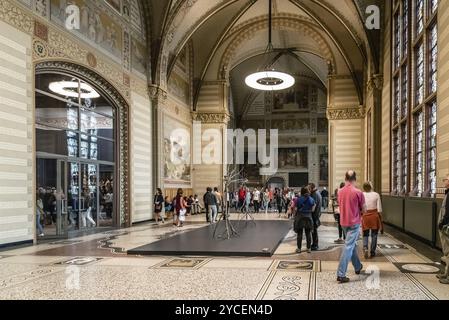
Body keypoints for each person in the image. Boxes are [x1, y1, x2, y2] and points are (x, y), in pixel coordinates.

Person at [336, 171, 366, 283]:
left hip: (343, 222)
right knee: (348, 246)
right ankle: (341, 274)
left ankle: (357, 267)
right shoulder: (358, 192)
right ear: (355, 178)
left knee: (351, 245)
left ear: (345, 178)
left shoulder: (340, 191)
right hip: (354, 223)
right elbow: (364, 209)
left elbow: (340, 204)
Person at [362, 182, 382, 258]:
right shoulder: (376, 195)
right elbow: (379, 209)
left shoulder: (362, 194)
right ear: (371, 187)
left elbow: (360, 206)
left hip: (365, 215)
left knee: (365, 234)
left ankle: (365, 247)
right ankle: (372, 252)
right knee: (374, 235)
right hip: (374, 216)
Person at [294, 187, 316, 253]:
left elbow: (295, 209)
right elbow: (313, 210)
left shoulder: (298, 199)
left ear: (302, 192)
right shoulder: (311, 199)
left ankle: (299, 249)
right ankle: (308, 248)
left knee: (299, 233)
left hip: (300, 217)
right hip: (308, 218)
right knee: (308, 233)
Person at [437, 174, 449, 284]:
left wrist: (442, 223)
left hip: (447, 226)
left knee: (448, 252)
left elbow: (448, 212)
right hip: (445, 225)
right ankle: (446, 273)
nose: (444, 181)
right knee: (446, 252)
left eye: (445, 179)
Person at [309, 183, 322, 251]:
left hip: (314, 214)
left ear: (311, 188)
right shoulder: (317, 192)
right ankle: (314, 244)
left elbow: (313, 205)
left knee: (314, 230)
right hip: (317, 213)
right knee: (314, 230)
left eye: (309, 188)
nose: (308, 190)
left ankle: (315, 245)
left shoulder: (314, 194)